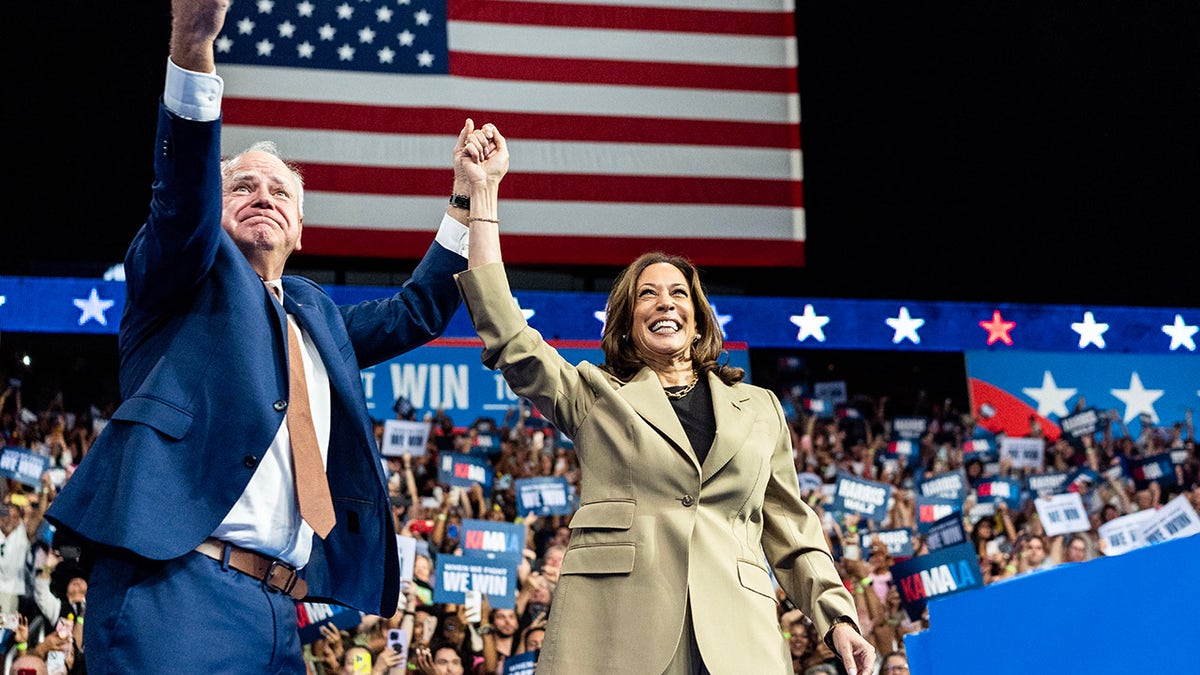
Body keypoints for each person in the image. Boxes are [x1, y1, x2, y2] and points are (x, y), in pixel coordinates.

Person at [44, 1, 479, 672]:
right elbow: (182, 196)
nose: (263, 194)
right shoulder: (184, 272)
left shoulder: (318, 317)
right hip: (176, 588)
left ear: (301, 230)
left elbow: (417, 309)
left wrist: (466, 200)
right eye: (242, 185)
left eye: (280, 190)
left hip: (279, 611)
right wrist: (193, 45)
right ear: (218, 210)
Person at [451, 126, 874, 674]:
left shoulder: (760, 409)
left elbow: (792, 533)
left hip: (737, 638)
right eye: (646, 294)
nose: (664, 302)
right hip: (618, 633)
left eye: (678, 293)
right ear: (627, 324)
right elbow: (508, 333)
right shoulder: (595, 397)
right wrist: (482, 195)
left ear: (697, 321)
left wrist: (838, 619)